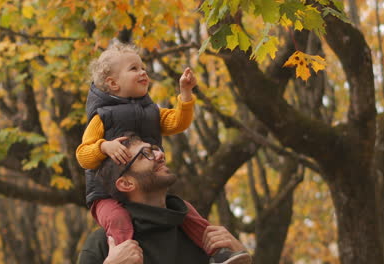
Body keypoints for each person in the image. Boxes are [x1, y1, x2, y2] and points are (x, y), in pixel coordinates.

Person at [75, 43, 244, 263]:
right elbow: (83, 155)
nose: (143, 72)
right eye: (134, 68)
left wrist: (185, 94)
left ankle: (220, 254)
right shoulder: (102, 117)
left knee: (190, 213)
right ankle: (127, 251)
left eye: (143, 67)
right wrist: (104, 146)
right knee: (117, 219)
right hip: (104, 195)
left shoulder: (151, 111)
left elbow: (178, 122)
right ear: (113, 83)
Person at [77, 134, 252, 264]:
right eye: (145, 154)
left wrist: (242, 257)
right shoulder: (104, 245)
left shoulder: (201, 237)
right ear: (126, 183)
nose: (160, 155)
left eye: (155, 149)